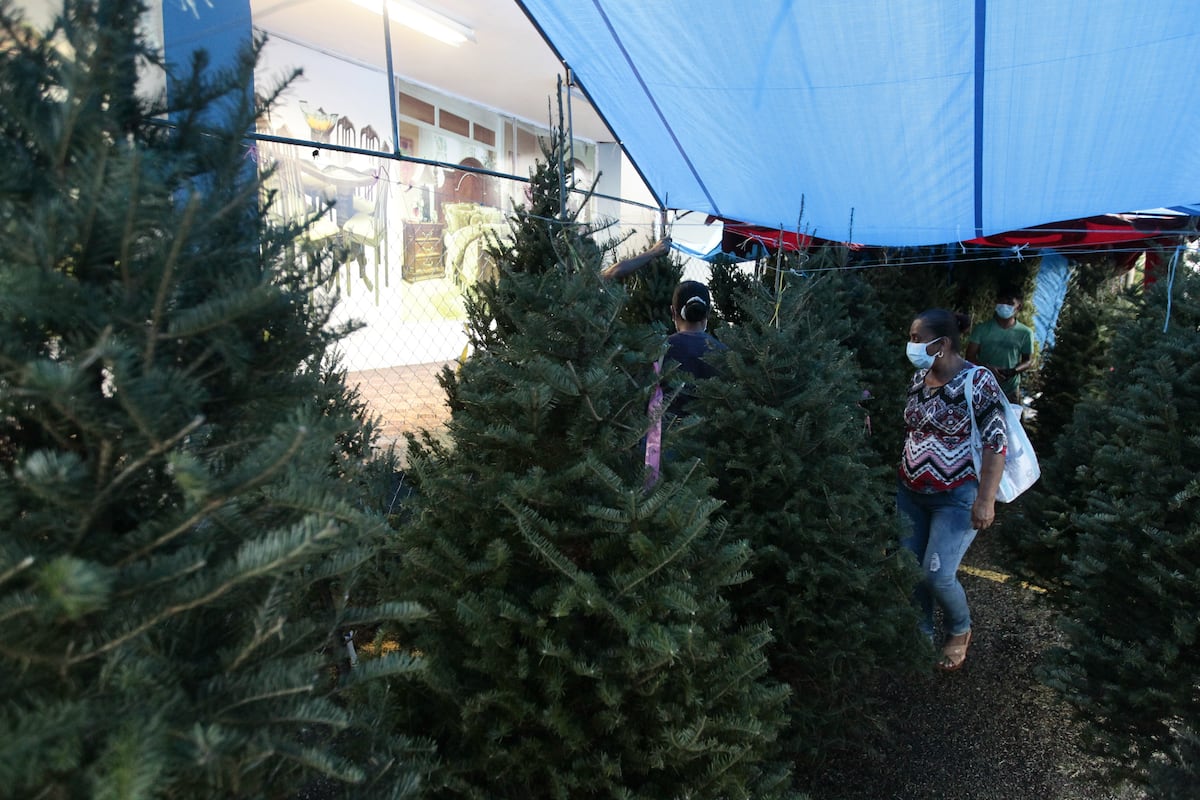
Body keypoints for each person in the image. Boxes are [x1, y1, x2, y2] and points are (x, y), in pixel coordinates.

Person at [897, 309, 1007, 671]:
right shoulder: (918, 378)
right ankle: (920, 631)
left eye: (916, 338)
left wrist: (985, 500)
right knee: (911, 567)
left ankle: (960, 630)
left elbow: (996, 443)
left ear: (942, 344)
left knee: (937, 573)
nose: (911, 345)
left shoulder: (978, 381)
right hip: (911, 491)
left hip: (956, 495)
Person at [664, 280, 727, 417]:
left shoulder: (660, 349)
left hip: (664, 433)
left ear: (673, 312)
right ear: (708, 312)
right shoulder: (725, 353)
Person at [965, 291, 1035, 404]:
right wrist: (987, 369)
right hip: (982, 385)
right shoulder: (981, 329)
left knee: (1010, 420)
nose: (1004, 306)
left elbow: (1028, 360)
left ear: (1019, 307)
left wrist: (1013, 371)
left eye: (1009, 303)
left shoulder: (1025, 333)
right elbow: (969, 356)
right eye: (1001, 301)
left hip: (1010, 389)